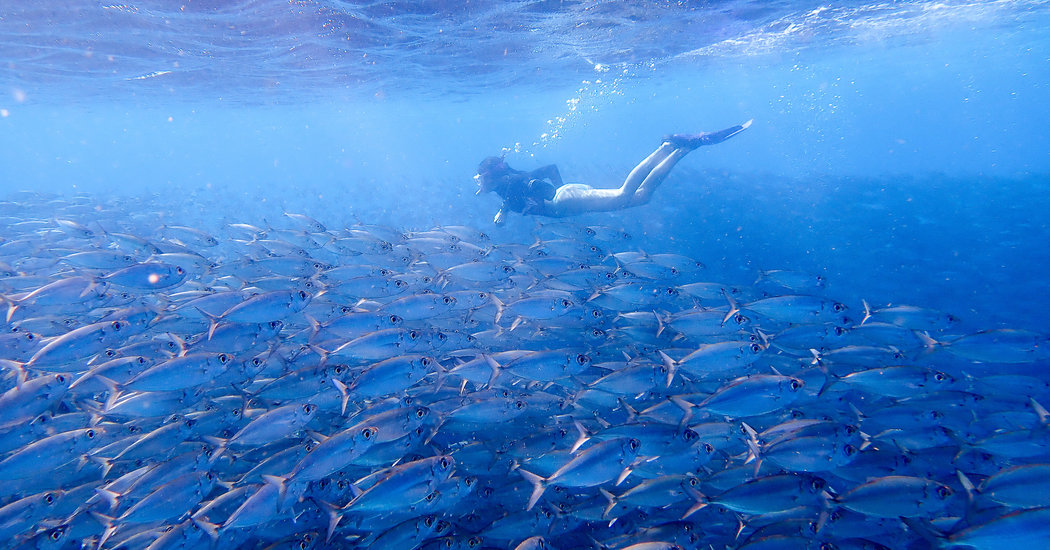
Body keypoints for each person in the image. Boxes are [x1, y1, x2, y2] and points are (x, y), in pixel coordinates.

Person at [474, 120, 753, 224]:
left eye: (481, 177)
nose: (479, 182)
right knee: (642, 197)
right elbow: (547, 171)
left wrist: (554, 196)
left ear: (491, 175)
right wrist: (506, 209)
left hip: (566, 202)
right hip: (569, 199)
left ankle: (668, 146)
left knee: (623, 193)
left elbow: (524, 185)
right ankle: (684, 149)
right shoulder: (507, 188)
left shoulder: (509, 185)